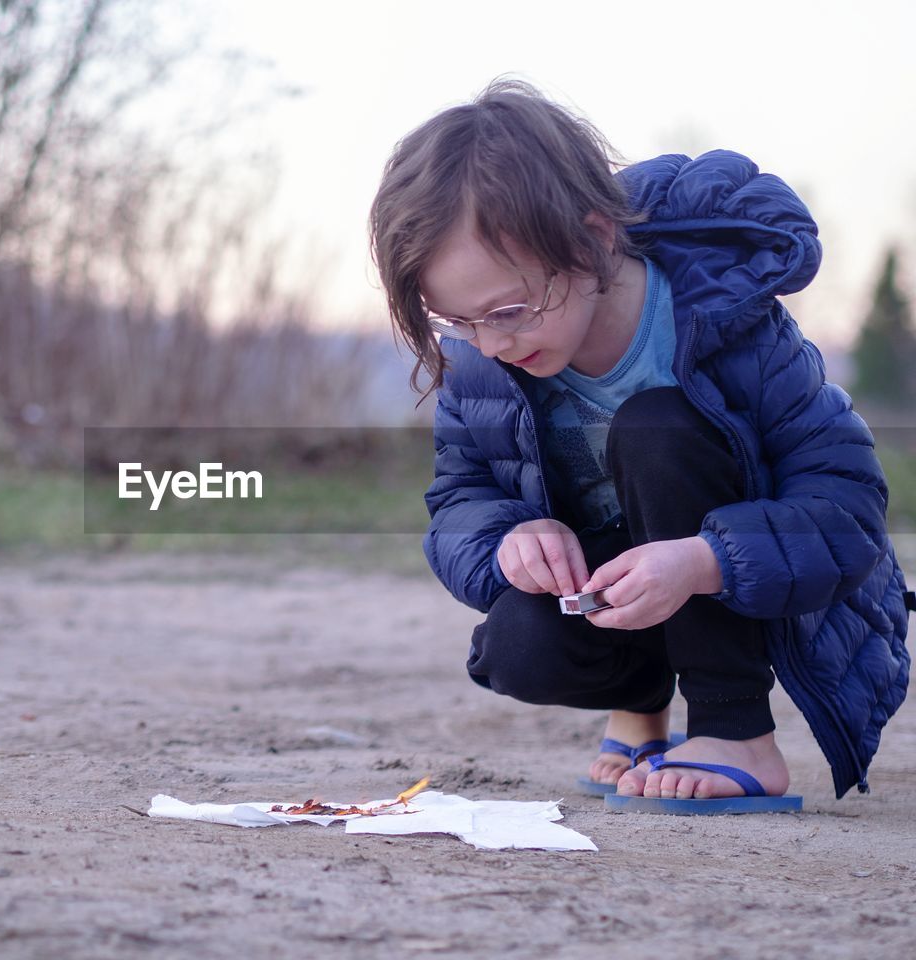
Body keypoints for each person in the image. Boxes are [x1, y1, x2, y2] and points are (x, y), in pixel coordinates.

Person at [368, 77, 912, 805]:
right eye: (458, 323)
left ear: (592, 239)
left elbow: (846, 512)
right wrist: (508, 539)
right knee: (517, 645)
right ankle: (645, 701)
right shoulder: (485, 363)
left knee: (657, 427)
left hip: (750, 586)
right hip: (624, 595)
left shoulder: (731, 326)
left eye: (509, 310)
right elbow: (461, 496)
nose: (491, 343)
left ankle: (736, 728)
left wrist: (704, 559)